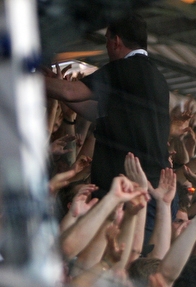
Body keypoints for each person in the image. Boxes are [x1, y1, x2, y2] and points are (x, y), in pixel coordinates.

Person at [44, 14, 170, 205]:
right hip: (149, 189)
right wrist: (58, 87)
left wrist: (23, 77)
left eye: (106, 40)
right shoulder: (156, 78)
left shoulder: (122, 69)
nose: (106, 47)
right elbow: (95, 112)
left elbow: (70, 92)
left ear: (116, 41)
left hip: (129, 193)